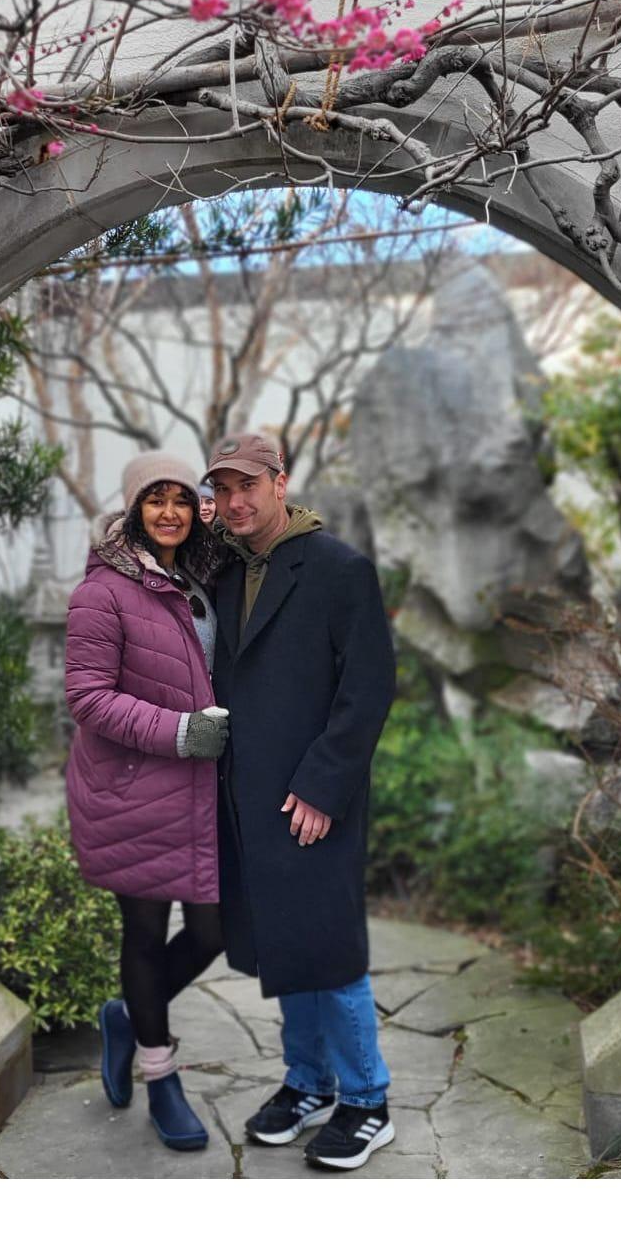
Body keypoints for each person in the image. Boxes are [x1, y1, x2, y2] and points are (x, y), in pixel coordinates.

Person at [205, 433, 397, 1172]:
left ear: (280, 482)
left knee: (330, 946)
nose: (235, 501)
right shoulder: (225, 571)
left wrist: (323, 785)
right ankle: (309, 1082)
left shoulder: (339, 569)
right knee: (287, 941)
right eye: (223, 489)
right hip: (249, 795)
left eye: (248, 485)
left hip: (314, 795)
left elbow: (368, 688)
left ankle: (367, 1099)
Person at [63, 451, 230, 1152]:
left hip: (198, 788)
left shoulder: (200, 576)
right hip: (130, 788)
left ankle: (128, 1015)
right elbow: (87, 696)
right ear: (133, 510)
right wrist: (180, 732)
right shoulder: (102, 591)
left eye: (181, 499)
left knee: (214, 931)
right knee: (145, 931)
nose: (169, 512)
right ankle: (160, 1075)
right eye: (155, 500)